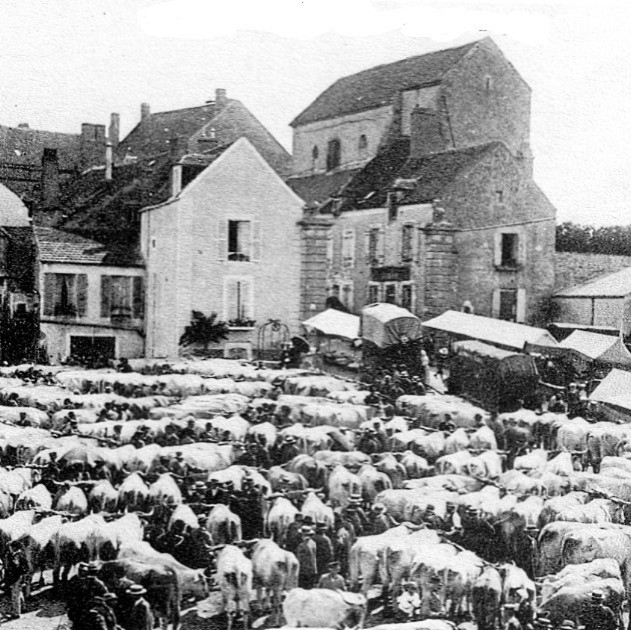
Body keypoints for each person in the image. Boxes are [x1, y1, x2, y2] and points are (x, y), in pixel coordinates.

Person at [5, 540, 29, 619]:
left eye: (11, 547)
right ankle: (23, 607)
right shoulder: (18, 554)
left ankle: (16, 613)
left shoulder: (17, 555)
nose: (10, 548)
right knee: (19, 593)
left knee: (15, 595)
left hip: (16, 578)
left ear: (14, 547)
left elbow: (16, 566)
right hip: (18, 577)